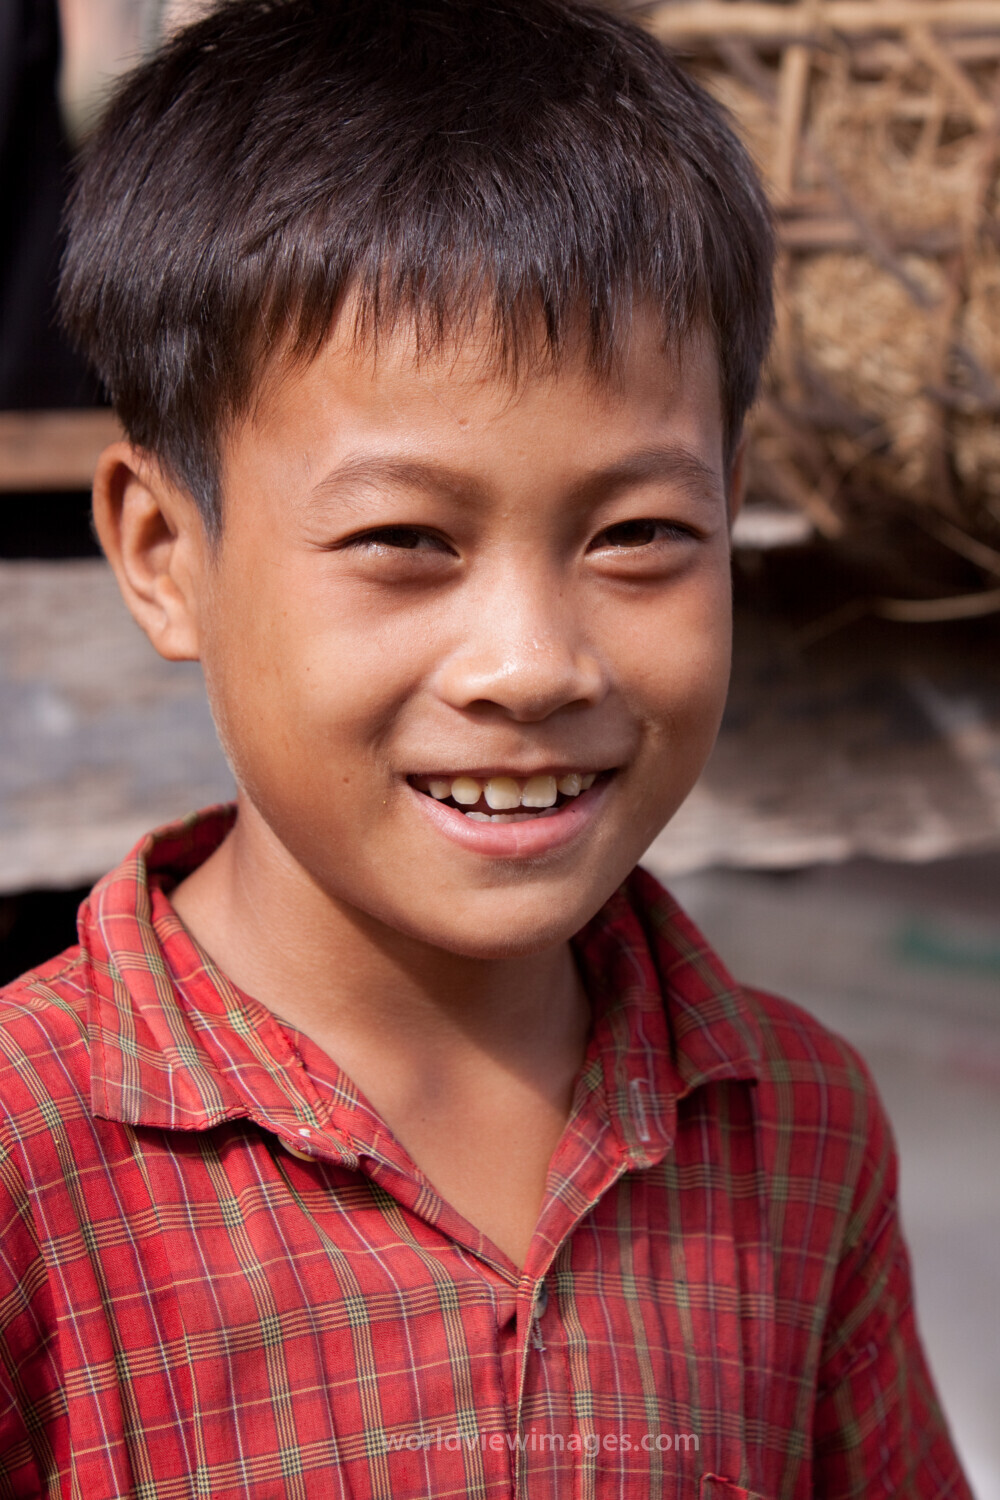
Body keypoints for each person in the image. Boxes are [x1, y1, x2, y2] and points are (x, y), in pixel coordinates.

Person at [0, 1, 971, 1495]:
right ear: (161, 551)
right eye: (404, 539)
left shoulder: (801, 1133)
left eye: (640, 533)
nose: (532, 663)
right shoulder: (28, 1162)